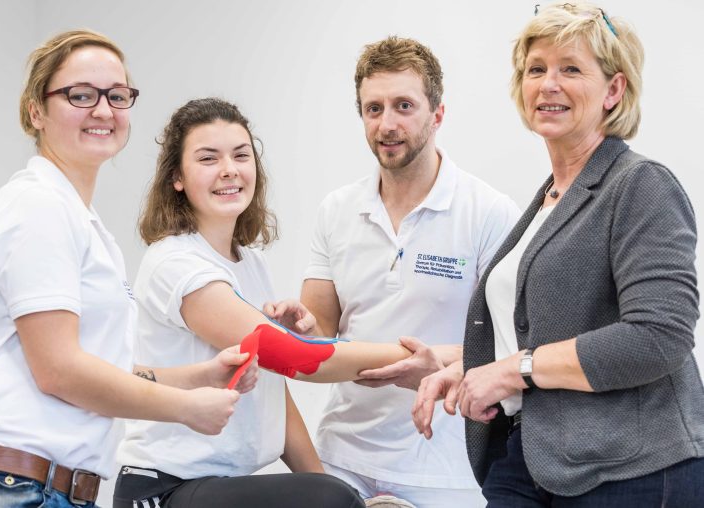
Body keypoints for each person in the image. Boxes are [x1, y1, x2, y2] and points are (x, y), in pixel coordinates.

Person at [0, 30, 250, 508]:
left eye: (117, 96)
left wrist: (199, 376)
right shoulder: (37, 206)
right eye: (80, 95)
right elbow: (59, 371)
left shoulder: (82, 222)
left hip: (40, 487)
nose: (103, 110)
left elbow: (93, 366)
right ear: (36, 111)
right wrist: (187, 409)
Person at [412, 3, 704, 506]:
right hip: (530, 456)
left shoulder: (641, 185)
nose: (548, 84)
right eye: (536, 69)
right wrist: (472, 368)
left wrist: (508, 372)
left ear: (614, 90)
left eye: (571, 68)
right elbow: (549, 334)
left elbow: (660, 336)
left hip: (630, 468)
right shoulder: (548, 200)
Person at [114, 97, 421, 508]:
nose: (229, 170)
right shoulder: (176, 262)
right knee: (329, 498)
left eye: (241, 155)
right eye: (208, 158)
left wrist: (348, 501)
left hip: (216, 486)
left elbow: (273, 397)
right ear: (177, 177)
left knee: (334, 495)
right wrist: (421, 355)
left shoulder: (250, 263)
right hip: (162, 490)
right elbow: (294, 356)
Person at [300, 36, 520, 508]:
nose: (387, 124)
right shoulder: (337, 210)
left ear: (437, 114)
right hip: (343, 461)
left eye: (404, 106)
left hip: (446, 472)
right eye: (373, 109)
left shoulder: (489, 213)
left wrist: (437, 362)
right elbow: (319, 330)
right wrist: (298, 330)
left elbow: (512, 341)